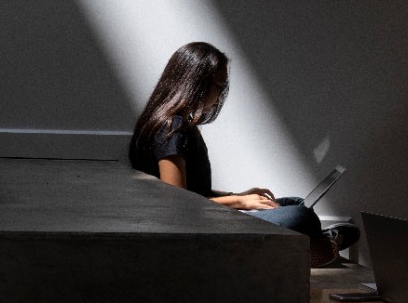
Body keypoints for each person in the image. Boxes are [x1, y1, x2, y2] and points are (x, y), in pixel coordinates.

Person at [128, 41, 359, 266]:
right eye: (218, 86)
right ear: (196, 84)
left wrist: (240, 195)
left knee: (295, 203)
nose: (220, 95)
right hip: (199, 226)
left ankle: (315, 243)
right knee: (301, 216)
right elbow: (177, 204)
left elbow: (194, 191)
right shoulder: (172, 129)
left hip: (203, 216)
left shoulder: (181, 125)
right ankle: (320, 243)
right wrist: (240, 201)